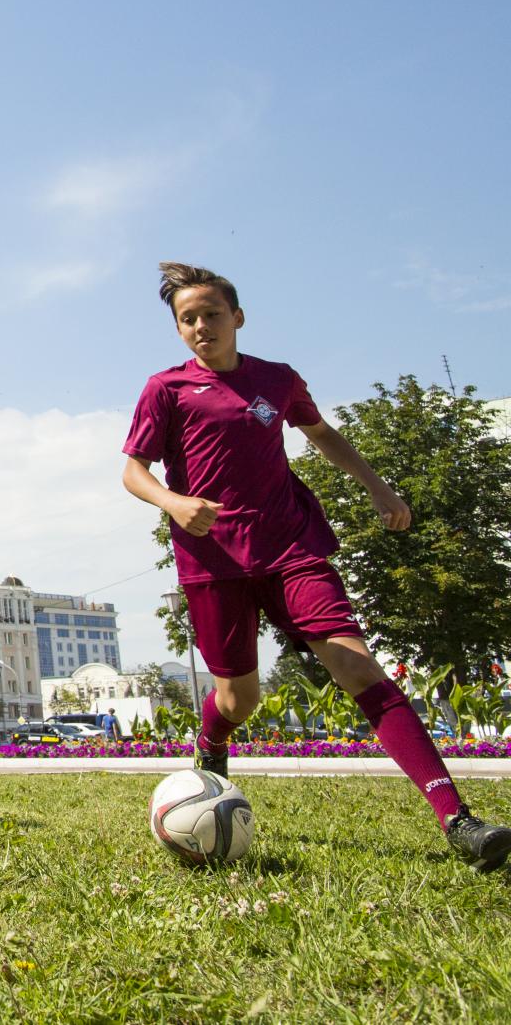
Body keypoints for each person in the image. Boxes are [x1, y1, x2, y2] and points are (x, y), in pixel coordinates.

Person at [123, 261, 511, 873]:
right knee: (239, 698)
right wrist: (173, 502)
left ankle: (459, 821)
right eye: (187, 319)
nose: (200, 326)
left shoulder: (277, 380)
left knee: (357, 666)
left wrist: (378, 487)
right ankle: (212, 742)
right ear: (178, 329)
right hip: (212, 559)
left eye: (211, 314)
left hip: (291, 546)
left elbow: (322, 433)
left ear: (237, 317)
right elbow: (133, 471)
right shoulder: (165, 389)